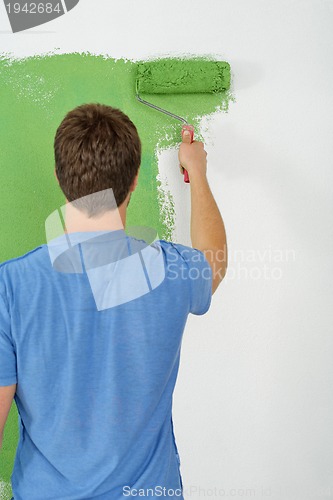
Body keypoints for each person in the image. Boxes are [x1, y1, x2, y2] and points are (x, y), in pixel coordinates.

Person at [0, 103, 227, 499]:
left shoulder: (11, 287)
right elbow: (215, 259)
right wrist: (199, 174)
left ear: (59, 177)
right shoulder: (169, 271)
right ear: (135, 179)